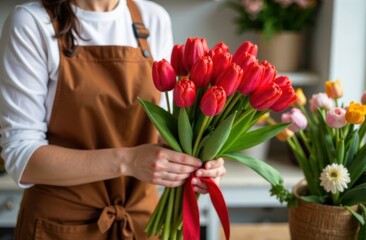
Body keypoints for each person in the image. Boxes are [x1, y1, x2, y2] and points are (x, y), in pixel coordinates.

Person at [0, 0, 226, 239]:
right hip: (59, 226)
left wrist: (197, 162)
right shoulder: (30, 22)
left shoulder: (153, 18)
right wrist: (129, 161)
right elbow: (22, 159)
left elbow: (162, 130)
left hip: (142, 223)